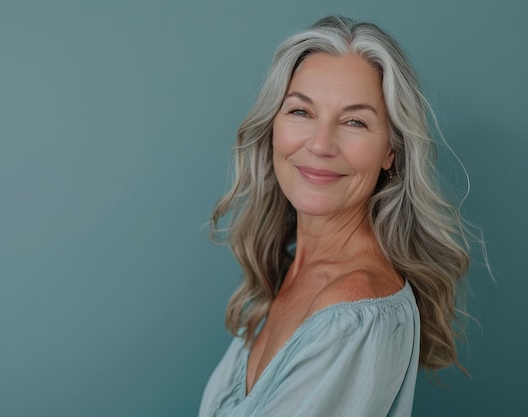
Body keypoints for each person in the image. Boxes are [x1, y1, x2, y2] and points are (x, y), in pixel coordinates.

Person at [199, 15, 471, 417]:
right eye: (301, 112)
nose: (321, 144)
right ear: (273, 126)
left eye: (354, 121)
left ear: (390, 152)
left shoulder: (356, 311)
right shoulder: (293, 269)